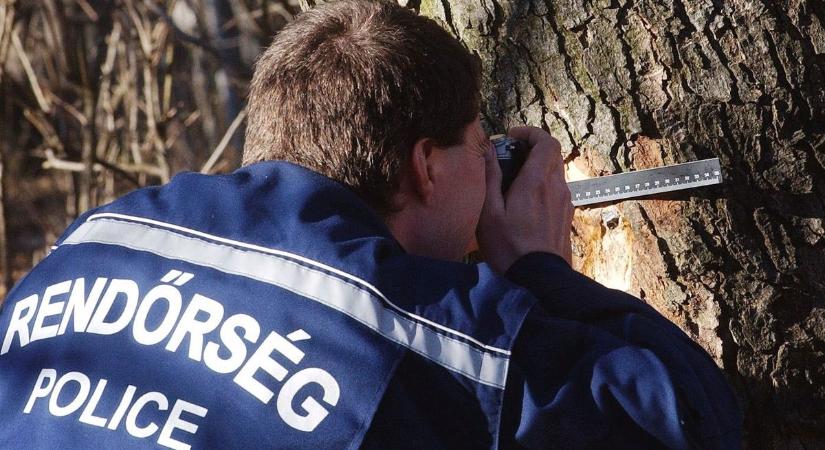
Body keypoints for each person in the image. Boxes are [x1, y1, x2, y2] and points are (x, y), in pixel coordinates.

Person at [0, 0, 741, 448]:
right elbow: (686, 419)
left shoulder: (90, 242)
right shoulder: (417, 333)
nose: (490, 170)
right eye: (481, 149)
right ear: (426, 167)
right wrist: (537, 270)